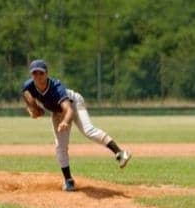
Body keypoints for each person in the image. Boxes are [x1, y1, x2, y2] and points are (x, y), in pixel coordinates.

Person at [22, 59, 132, 192]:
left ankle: (120, 153)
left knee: (88, 130)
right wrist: (32, 108)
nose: (38, 76)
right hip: (57, 112)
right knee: (60, 146)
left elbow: (69, 110)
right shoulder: (28, 86)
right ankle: (69, 181)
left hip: (73, 104)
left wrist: (65, 122)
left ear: (47, 74)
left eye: (41, 73)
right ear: (31, 75)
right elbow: (28, 97)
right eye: (35, 73)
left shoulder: (57, 87)